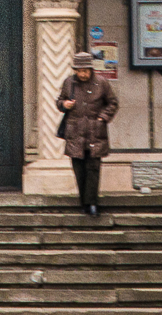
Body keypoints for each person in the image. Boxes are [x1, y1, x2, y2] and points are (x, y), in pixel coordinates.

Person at [53, 52, 117, 216]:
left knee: (93, 169)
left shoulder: (101, 83)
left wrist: (102, 118)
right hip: (75, 132)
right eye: (79, 70)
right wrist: (64, 104)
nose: (82, 74)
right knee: (79, 169)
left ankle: (92, 203)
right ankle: (84, 202)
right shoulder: (69, 83)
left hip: (95, 132)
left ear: (90, 69)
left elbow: (112, 102)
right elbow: (59, 101)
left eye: (85, 70)